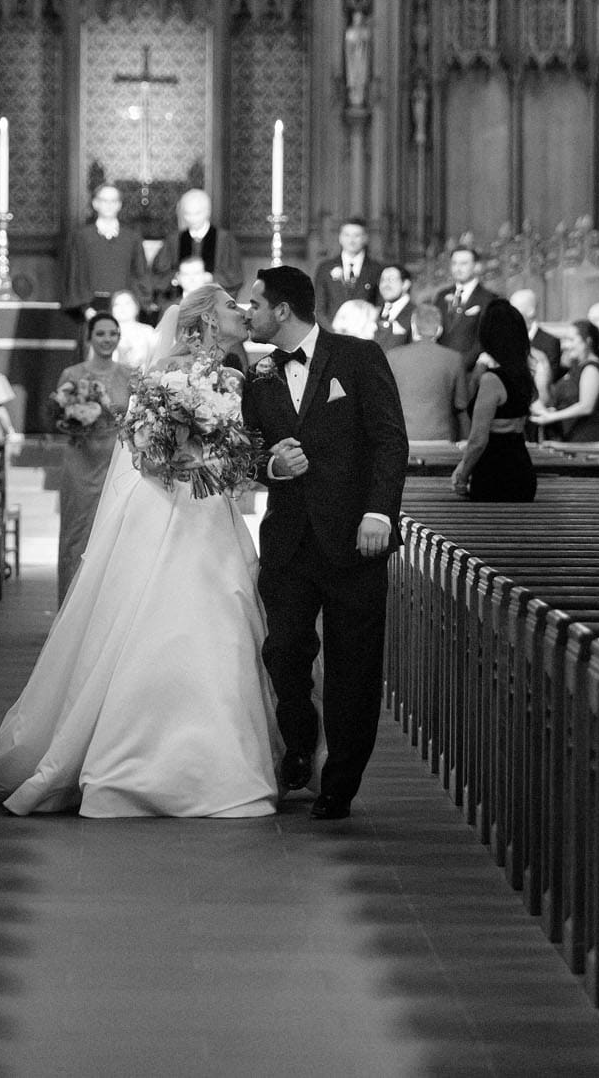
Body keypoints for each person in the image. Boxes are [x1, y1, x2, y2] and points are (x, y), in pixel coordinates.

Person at [0, 284, 279, 817]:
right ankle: (135, 757)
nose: (242, 312)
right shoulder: (162, 374)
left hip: (213, 511)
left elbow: (235, 445)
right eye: (230, 305)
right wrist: (184, 461)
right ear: (202, 320)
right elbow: (144, 450)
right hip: (167, 509)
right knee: (155, 619)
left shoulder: (233, 377)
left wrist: (226, 464)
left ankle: (225, 756)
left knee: (224, 616)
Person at [242, 265, 410, 821]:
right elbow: (251, 453)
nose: (250, 314)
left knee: (353, 665)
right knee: (282, 650)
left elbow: (389, 440)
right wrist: (274, 465)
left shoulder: (358, 357)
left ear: (283, 310)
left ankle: (340, 781)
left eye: (256, 305)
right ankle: (297, 741)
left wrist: (379, 512)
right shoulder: (260, 374)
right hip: (289, 540)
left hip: (354, 538)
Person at [53, 312, 135, 599]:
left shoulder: (130, 374)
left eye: (112, 333)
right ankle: (69, 606)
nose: (107, 339)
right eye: (100, 333)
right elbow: (57, 421)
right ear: (89, 337)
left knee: (116, 534)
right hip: (81, 461)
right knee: (77, 534)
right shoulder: (73, 375)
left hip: (117, 460)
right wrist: (75, 418)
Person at [450, 297, 537, 502]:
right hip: (522, 469)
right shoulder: (524, 376)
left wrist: (462, 474)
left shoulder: (492, 380)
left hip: (494, 472)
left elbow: (478, 440)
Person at [62, 184, 149, 320]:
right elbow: (74, 274)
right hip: (91, 308)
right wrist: (85, 308)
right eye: (104, 200)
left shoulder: (132, 237)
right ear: (95, 203)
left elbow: (140, 273)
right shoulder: (81, 237)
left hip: (125, 309)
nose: (109, 205)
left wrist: (135, 306)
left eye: (113, 201)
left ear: (119, 205)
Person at [387, 302, 470, 441]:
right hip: (441, 441)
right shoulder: (454, 359)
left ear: (413, 327)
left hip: (403, 441)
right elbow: (462, 406)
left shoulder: (392, 356)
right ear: (439, 330)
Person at [532, 319, 599, 442]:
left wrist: (552, 416)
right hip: (570, 436)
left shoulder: (591, 368)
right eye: (565, 340)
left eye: (571, 340)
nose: (565, 345)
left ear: (588, 341)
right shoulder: (575, 368)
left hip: (587, 438)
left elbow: (586, 406)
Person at [151, 187, 241, 294]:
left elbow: (235, 276)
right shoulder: (174, 240)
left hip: (213, 302)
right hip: (180, 301)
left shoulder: (225, 240)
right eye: (187, 214)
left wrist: (211, 277)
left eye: (197, 213)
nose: (192, 219)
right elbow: (158, 275)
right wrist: (176, 278)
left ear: (208, 212)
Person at [434, 245, 499, 363]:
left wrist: (463, 364)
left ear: (476, 266)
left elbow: (485, 339)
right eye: (454, 263)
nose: (458, 268)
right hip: (441, 366)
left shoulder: (489, 298)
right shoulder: (441, 296)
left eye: (464, 264)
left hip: (470, 369)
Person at [314, 217, 383, 320]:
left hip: (364, 332)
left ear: (365, 238)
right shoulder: (325, 268)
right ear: (340, 238)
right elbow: (319, 308)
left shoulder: (376, 269)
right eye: (347, 235)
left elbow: (380, 304)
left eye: (357, 236)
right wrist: (334, 330)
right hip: (332, 332)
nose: (351, 240)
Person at [109, 290, 159, 369]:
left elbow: (157, 359)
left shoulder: (148, 331)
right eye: (117, 304)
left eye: (127, 303)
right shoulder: (105, 334)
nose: (122, 308)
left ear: (136, 307)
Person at [372, 265, 414, 351]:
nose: (385, 284)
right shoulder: (374, 312)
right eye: (382, 280)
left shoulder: (415, 313)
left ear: (405, 284)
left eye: (391, 279)